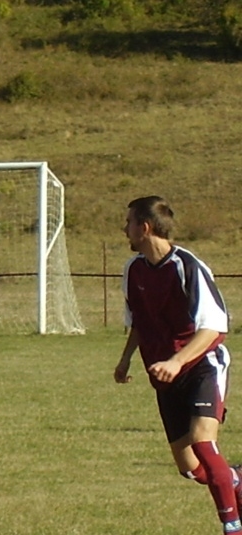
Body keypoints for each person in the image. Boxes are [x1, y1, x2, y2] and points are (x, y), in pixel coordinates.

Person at [114, 195, 242, 535]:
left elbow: (214, 327)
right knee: (190, 468)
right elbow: (140, 320)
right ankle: (236, 480)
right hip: (166, 376)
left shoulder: (187, 266)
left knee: (203, 441)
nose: (123, 229)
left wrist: (176, 360)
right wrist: (126, 359)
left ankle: (232, 527)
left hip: (203, 365)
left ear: (144, 227)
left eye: (128, 223)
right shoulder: (133, 270)